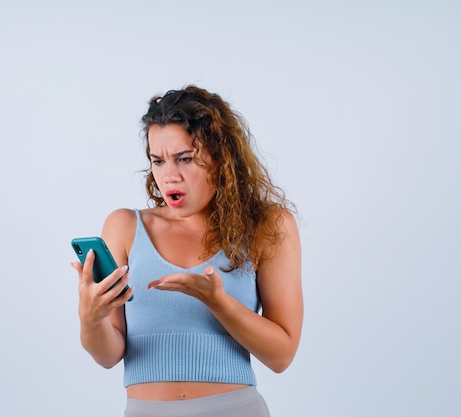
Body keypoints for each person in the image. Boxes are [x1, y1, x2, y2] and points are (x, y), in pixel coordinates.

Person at [72, 85, 303, 417]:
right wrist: (90, 320)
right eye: (158, 161)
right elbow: (109, 355)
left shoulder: (268, 225)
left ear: (221, 157)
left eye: (185, 159)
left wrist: (217, 301)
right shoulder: (124, 226)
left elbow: (282, 356)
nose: (170, 176)